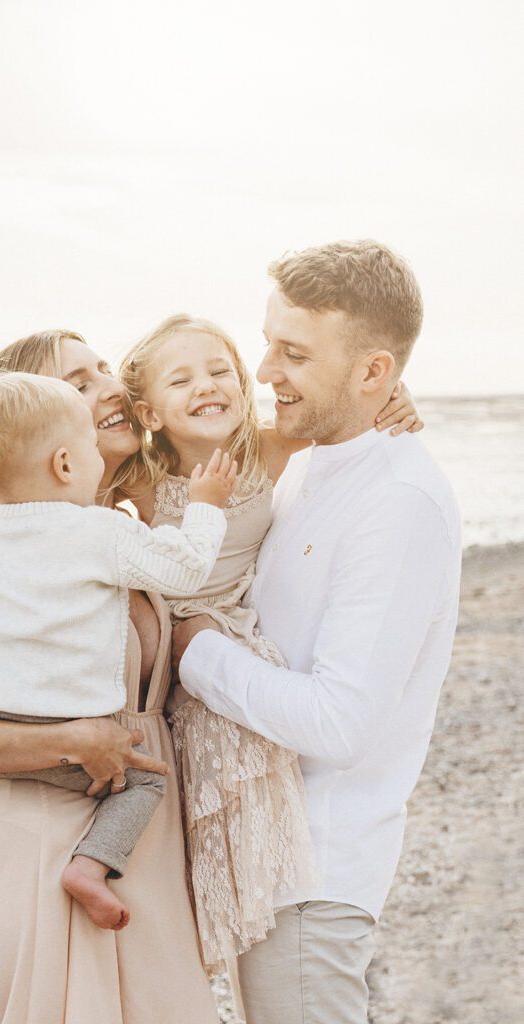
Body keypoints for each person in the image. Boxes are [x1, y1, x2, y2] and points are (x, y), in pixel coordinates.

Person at [0, 330, 221, 1024]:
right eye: (79, 383)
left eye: (105, 370)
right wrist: (68, 742)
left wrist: (373, 412)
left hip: (139, 849)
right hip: (34, 845)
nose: (111, 387)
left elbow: (249, 438)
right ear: (52, 444)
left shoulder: (126, 524)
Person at [173, 240, 462, 1024]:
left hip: (316, 874)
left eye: (292, 353)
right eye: (268, 343)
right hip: (266, 858)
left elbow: (340, 723)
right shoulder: (307, 460)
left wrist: (191, 650)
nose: (262, 371)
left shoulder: (397, 503)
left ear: (372, 372)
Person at [114, 313, 421, 977]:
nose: (207, 385)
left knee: (253, 789)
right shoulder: (137, 477)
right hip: (174, 647)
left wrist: (392, 399)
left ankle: (268, 921)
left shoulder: (264, 448)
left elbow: (343, 411)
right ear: (149, 411)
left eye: (220, 369)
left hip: (235, 640)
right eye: (182, 378)